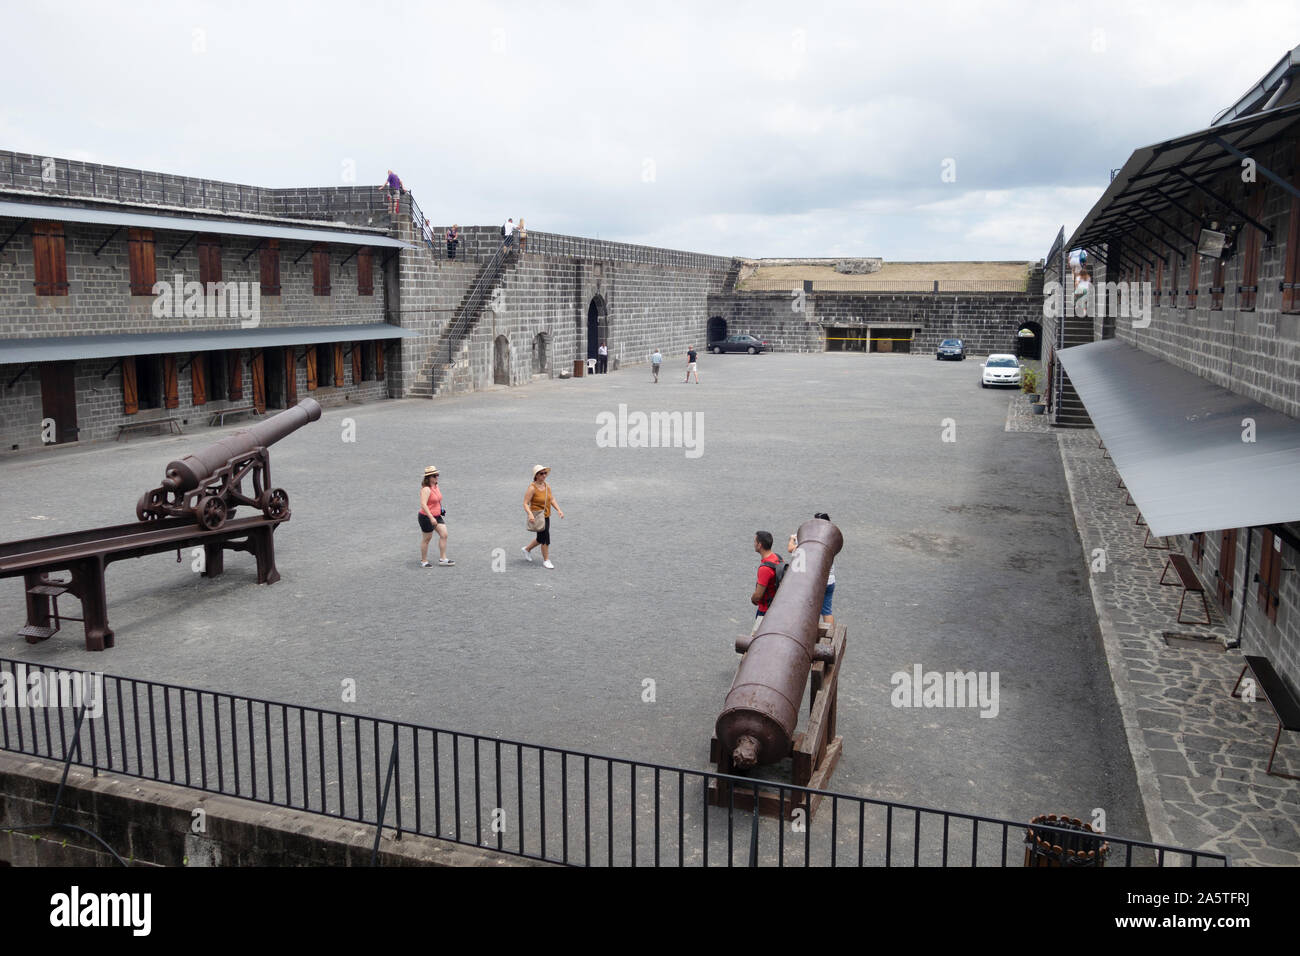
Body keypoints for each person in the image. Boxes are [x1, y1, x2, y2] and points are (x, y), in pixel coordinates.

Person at [789, 512, 835, 629]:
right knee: (827, 611)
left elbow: (791, 549)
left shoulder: (809, 538)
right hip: (830, 580)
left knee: (809, 608)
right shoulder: (831, 538)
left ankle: (807, 630)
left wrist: (792, 539)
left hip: (815, 581)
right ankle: (829, 633)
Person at [522, 465, 564, 569]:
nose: (544, 475)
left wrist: (559, 510)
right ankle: (546, 560)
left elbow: (551, 499)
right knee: (545, 538)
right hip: (537, 516)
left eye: (545, 473)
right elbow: (525, 503)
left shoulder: (547, 486)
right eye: (541, 473)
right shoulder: (532, 488)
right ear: (536, 476)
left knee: (541, 538)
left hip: (546, 515)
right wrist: (530, 514)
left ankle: (527, 549)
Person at [418, 465, 454, 567]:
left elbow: (437, 499)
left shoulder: (436, 486)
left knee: (444, 534)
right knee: (427, 539)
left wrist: (440, 509)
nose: (437, 477)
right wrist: (431, 517)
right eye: (434, 475)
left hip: (437, 515)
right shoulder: (426, 489)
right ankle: (424, 561)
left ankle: (443, 558)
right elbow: (423, 505)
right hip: (426, 517)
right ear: (428, 478)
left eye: (437, 475)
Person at [750, 531, 783, 633]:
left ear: (759, 545)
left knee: (755, 639)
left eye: (755, 541)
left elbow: (758, 596)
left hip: (764, 611)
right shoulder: (778, 558)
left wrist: (753, 599)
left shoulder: (765, 568)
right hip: (776, 607)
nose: (754, 544)